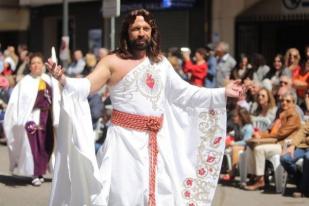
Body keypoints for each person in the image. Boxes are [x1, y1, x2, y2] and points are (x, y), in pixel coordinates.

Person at [46, 9, 244, 206]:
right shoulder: (112, 62)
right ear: (127, 32)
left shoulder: (160, 63)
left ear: (152, 32)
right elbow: (87, 85)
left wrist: (222, 93)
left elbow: (186, 93)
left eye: (146, 28)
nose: (141, 33)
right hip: (124, 143)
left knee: (164, 196)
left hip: (159, 144)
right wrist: (63, 79)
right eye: (136, 28)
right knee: (124, 196)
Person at [3, 53, 61, 186]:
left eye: (39, 63)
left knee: (45, 145)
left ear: (43, 65)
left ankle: (41, 171)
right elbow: (16, 102)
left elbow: (56, 97)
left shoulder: (48, 79)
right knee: (33, 145)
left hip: (47, 118)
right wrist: (19, 118)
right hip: (31, 118)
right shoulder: (25, 82)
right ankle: (35, 173)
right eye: (33, 63)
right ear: (30, 66)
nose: (36, 65)